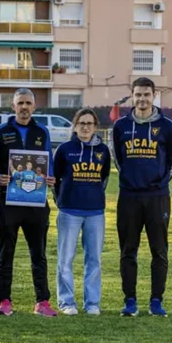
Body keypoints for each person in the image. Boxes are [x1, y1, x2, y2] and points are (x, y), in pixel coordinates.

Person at [112, 77, 172, 317]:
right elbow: (118, 159)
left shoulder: (167, 126)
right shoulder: (120, 126)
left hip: (157, 197)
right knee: (128, 250)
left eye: (146, 95)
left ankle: (156, 301)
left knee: (159, 251)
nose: (142, 99)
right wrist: (131, 181)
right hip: (129, 196)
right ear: (132, 96)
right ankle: (130, 301)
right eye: (138, 95)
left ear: (154, 96)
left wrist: (158, 183)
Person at [0, 88, 58, 317]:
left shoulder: (42, 131)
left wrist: (50, 177)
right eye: (20, 103)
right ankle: (4, 300)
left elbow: (48, 160)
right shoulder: (1, 132)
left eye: (28, 103)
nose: (24, 107)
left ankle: (43, 301)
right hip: (9, 201)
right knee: (6, 252)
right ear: (13, 106)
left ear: (34, 106)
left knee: (38, 253)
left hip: (36, 202)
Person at [53, 108, 111, 316]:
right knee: (65, 258)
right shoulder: (64, 149)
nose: (85, 127)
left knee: (94, 258)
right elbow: (56, 178)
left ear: (95, 127)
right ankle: (67, 302)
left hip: (95, 212)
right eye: (81, 123)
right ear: (75, 126)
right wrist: (61, 201)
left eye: (89, 123)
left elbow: (104, 178)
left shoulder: (103, 150)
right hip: (69, 211)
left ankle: (92, 303)